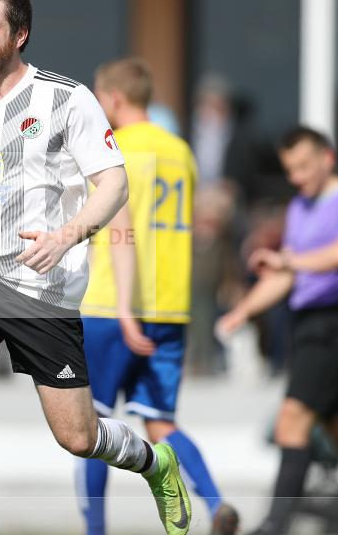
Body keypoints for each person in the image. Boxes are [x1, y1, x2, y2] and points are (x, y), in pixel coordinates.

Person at [0, 0, 192, 535]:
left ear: (20, 34)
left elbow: (114, 184)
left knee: (78, 437)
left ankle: (156, 462)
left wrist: (68, 234)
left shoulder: (68, 98)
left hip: (42, 286)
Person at [78, 58, 239, 535]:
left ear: (113, 99)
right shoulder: (181, 152)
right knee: (161, 422)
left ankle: (95, 531)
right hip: (170, 305)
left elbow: (115, 226)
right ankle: (215, 503)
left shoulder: (110, 148)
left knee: (90, 427)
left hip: (112, 305)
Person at [217, 126, 338, 535]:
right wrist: (242, 312)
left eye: (304, 166)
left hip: (333, 326)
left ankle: (273, 527)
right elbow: (287, 275)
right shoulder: (301, 206)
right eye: (289, 170)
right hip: (305, 328)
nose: (297, 177)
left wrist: (292, 263)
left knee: (291, 422)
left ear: (327, 158)